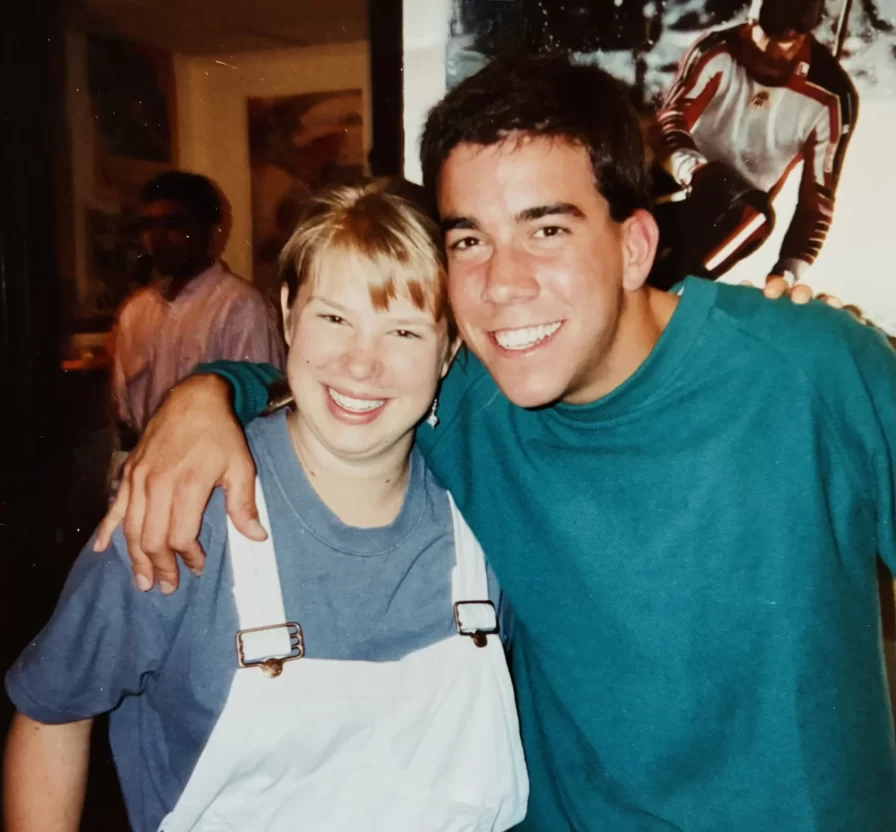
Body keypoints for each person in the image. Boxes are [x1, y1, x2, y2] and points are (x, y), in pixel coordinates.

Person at [95, 54, 895, 830]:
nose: (501, 284)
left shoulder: (812, 370)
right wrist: (207, 396)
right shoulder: (465, 394)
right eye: (468, 240)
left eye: (546, 229)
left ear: (634, 246)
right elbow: (348, 369)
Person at [3, 180, 528, 832]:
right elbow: (53, 710)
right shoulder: (183, 505)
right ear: (286, 313)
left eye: (404, 330)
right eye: (334, 318)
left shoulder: (487, 516)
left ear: (450, 349)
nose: (361, 364)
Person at [651, 0, 858, 288]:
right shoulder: (718, 49)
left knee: (756, 215)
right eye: (772, 32)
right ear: (753, 18)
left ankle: (670, 291)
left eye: (795, 36)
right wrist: (693, 169)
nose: (779, 50)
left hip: (731, 214)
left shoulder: (832, 95)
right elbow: (671, 120)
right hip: (675, 179)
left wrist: (786, 271)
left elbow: (817, 200)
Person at [113, 171, 284, 450]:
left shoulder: (239, 308)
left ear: (212, 231)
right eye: (149, 226)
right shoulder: (135, 312)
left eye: (174, 224)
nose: (158, 238)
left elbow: (263, 416)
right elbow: (125, 418)